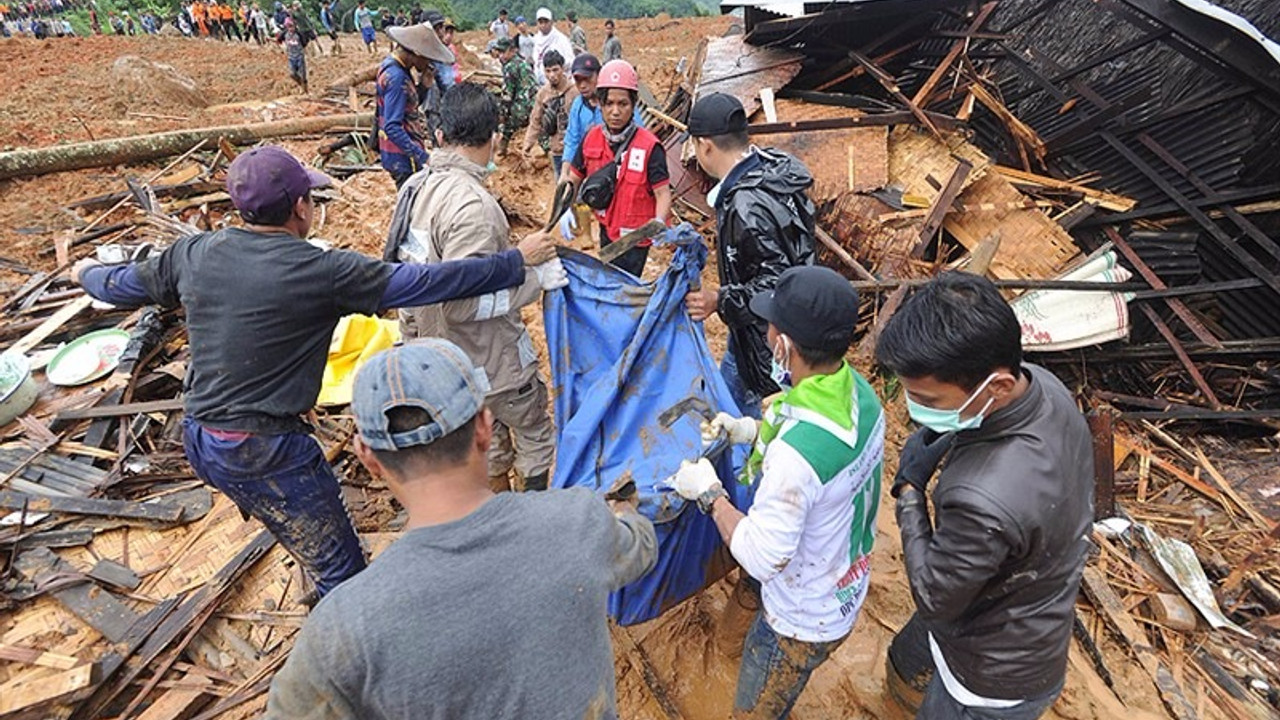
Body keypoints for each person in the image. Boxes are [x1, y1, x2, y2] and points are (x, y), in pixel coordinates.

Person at [71, 145, 560, 601]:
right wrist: (516, 261)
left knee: (301, 529)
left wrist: (85, 273)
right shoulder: (320, 270)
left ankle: (308, 552)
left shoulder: (194, 252)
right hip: (264, 450)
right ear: (302, 207)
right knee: (341, 572)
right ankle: (350, 651)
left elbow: (120, 284)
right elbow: (426, 282)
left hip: (200, 438)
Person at [264, 339, 657, 720]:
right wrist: (624, 511)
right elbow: (640, 547)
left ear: (368, 458)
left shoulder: (342, 630)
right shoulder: (577, 521)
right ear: (485, 426)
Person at [665, 265, 884, 719]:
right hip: (840, 575)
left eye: (770, 325)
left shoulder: (793, 460)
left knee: (757, 708)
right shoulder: (860, 395)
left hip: (802, 620)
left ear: (783, 343)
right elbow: (817, 439)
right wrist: (752, 430)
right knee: (745, 610)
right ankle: (726, 648)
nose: (765, 331)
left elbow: (763, 556)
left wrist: (710, 495)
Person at [875, 272, 1093, 720]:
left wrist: (910, 491)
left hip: (991, 674)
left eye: (928, 400)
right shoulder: (1042, 386)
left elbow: (934, 596)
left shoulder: (983, 498)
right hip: (1017, 601)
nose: (914, 411)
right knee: (909, 660)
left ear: (994, 386)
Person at [395, 83, 563, 492]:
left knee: (486, 447)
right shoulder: (473, 208)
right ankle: (530, 521)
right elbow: (462, 305)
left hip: (440, 361)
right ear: (491, 139)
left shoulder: (415, 189)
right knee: (535, 437)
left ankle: (499, 519)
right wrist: (533, 281)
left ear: (439, 136)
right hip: (491, 363)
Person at [684, 93, 816, 419]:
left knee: (752, 427)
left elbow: (776, 283)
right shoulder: (772, 168)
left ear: (705, 146)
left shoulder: (747, 204)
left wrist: (720, 299)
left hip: (767, 342)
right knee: (724, 404)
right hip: (757, 333)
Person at [564, 59, 669, 277]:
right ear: (600, 104)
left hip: (636, 238)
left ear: (633, 105)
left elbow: (662, 192)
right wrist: (564, 207)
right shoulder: (591, 139)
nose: (615, 111)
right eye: (609, 103)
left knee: (626, 288)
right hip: (607, 230)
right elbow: (572, 179)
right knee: (609, 279)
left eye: (623, 104)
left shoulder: (650, 146)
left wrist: (659, 221)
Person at [378, 22, 451, 187]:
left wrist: (423, 86)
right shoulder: (396, 78)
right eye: (427, 58)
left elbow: (407, 107)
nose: (428, 64)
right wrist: (423, 157)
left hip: (404, 153)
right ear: (417, 53)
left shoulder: (399, 68)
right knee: (411, 205)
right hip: (404, 158)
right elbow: (392, 127)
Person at [522, 48, 576, 179]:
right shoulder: (543, 93)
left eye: (555, 70)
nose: (552, 75)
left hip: (575, 150)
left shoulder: (575, 92)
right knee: (560, 182)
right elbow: (535, 120)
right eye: (548, 71)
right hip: (557, 149)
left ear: (562, 69)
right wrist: (527, 144)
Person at [496, 37, 535, 155]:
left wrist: (501, 115)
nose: (501, 56)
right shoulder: (523, 63)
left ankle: (501, 149)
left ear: (512, 51)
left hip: (522, 108)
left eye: (504, 52)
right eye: (500, 52)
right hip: (534, 105)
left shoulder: (509, 67)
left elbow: (507, 96)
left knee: (503, 123)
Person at [531, 6, 573, 85]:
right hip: (541, 83)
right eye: (540, 22)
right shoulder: (536, 39)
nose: (543, 25)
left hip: (559, 83)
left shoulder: (561, 39)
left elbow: (570, 60)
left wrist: (555, 69)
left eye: (546, 22)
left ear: (551, 22)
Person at [277, 17, 308, 93]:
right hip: (291, 57)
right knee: (292, 74)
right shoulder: (284, 34)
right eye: (289, 27)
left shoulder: (299, 34)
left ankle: (305, 89)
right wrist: (283, 48)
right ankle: (300, 84)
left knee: (302, 74)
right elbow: (278, 41)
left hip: (299, 55)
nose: (291, 29)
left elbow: (305, 43)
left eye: (292, 26)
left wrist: (302, 51)